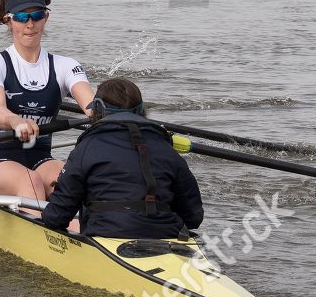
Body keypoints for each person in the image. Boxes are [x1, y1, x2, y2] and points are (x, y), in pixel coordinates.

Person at [0, 0, 96, 204]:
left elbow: (91, 106)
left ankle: (85, 232)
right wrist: (15, 120)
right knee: (30, 181)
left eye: (37, 16)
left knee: (75, 180)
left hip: (40, 157)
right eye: (22, 17)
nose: (30, 24)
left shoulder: (66, 66)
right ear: (8, 20)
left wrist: (108, 115)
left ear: (46, 18)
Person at [41, 77, 204, 238]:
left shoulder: (87, 147)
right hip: (167, 233)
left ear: (98, 108)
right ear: (141, 110)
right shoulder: (167, 149)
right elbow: (193, 217)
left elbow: (56, 217)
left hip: (107, 233)